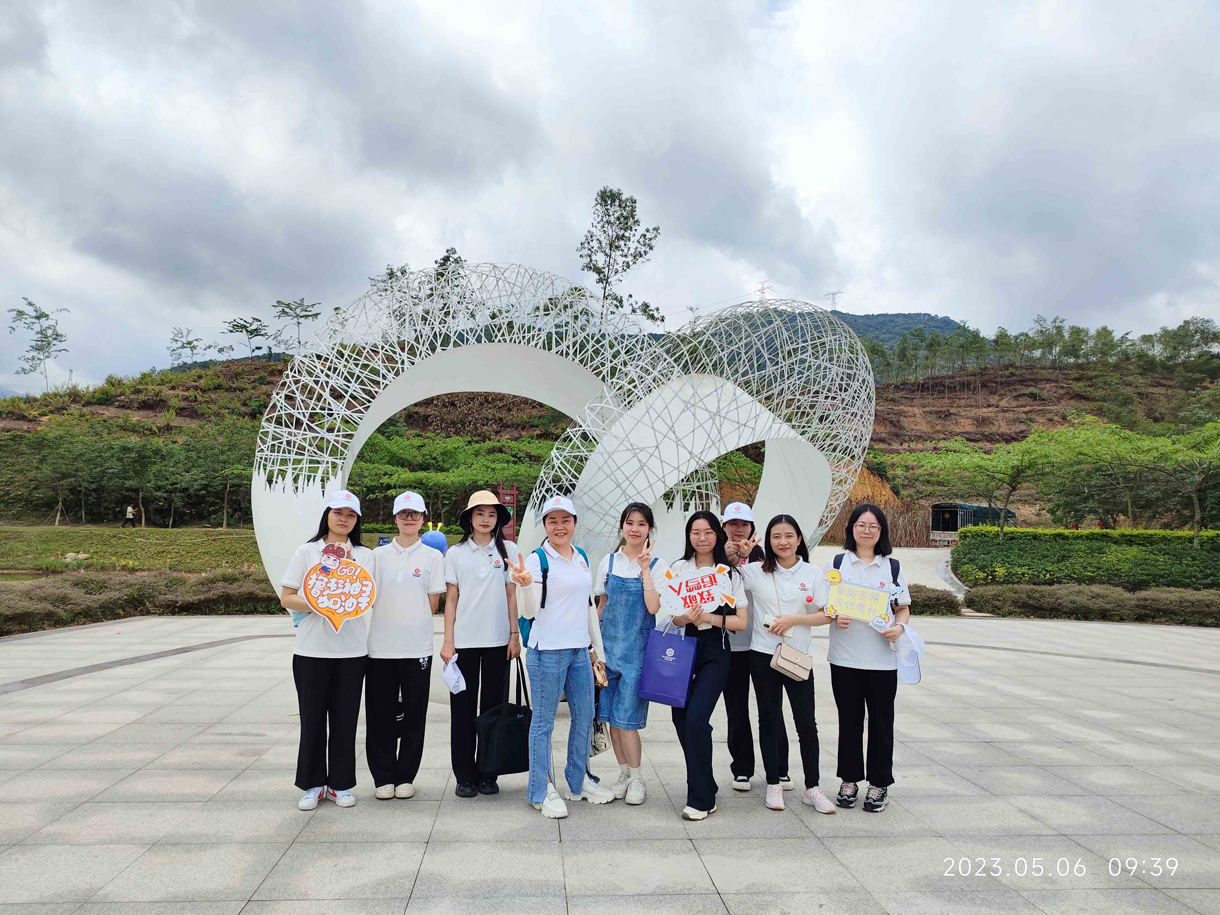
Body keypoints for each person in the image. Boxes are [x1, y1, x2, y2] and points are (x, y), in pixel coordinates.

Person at [511, 495, 615, 818]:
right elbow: (528, 611)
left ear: (574, 524)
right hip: (547, 652)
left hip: (579, 650)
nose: (559, 526)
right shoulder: (536, 560)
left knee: (585, 716)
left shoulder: (581, 557)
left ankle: (578, 779)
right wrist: (526, 586)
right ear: (544, 525)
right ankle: (540, 790)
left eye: (565, 520)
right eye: (552, 521)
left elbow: (586, 607)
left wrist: (597, 648)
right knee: (543, 724)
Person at [278, 490, 374, 811]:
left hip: (352, 651)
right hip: (310, 652)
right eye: (338, 512)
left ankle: (340, 784)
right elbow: (286, 596)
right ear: (327, 515)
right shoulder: (307, 552)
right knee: (313, 720)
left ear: (357, 520)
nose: (343, 518)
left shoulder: (365, 555)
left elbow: (368, 597)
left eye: (350, 514)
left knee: (346, 721)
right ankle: (313, 784)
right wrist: (318, 604)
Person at [816, 503, 911, 813]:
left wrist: (899, 627)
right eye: (861, 524)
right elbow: (825, 604)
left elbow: (903, 608)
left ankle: (879, 783)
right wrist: (835, 615)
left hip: (882, 661)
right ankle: (849, 780)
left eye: (873, 526)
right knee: (850, 722)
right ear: (851, 528)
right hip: (844, 658)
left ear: (881, 532)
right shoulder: (838, 563)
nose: (866, 530)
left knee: (882, 724)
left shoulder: (892, 567)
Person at [742, 515, 837, 814]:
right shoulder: (755, 572)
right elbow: (725, 581)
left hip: (796, 656)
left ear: (799, 539)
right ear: (768, 541)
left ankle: (813, 788)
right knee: (768, 720)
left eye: (789, 535)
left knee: (806, 723)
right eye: (776, 536)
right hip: (762, 655)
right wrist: (740, 555)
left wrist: (793, 620)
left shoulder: (812, 572)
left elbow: (827, 614)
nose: (782, 542)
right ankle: (773, 783)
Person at [662, 510, 749, 821]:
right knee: (681, 720)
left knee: (697, 720)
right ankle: (705, 783)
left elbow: (740, 621)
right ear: (689, 536)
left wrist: (708, 618)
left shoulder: (728, 574)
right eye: (696, 532)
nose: (702, 537)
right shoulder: (678, 569)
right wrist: (685, 617)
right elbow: (672, 614)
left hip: (716, 653)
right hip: (684, 650)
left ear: (718, 534)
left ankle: (700, 797)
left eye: (708, 532)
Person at [441, 491, 522, 798]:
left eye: (491, 515)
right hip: (463, 642)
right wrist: (448, 641)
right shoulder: (456, 552)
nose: (486, 519)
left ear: (498, 519)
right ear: (469, 518)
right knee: (461, 711)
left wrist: (515, 635)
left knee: (492, 711)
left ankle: (489, 772)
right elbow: (451, 599)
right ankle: (464, 775)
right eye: (480, 514)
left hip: (498, 642)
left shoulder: (510, 550)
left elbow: (512, 595)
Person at [365, 491, 445, 800]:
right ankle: (382, 777)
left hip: (417, 649)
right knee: (379, 714)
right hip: (379, 648)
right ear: (395, 518)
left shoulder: (432, 557)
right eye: (403, 513)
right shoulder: (377, 556)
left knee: (414, 714)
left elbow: (433, 601)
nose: (409, 518)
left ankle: (405, 776)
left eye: (415, 514)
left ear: (423, 518)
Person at [593, 502, 666, 806]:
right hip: (608, 652)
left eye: (641, 524)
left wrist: (646, 569)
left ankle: (637, 778)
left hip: (637, 653)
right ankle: (623, 773)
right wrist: (595, 648)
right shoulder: (608, 562)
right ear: (621, 526)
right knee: (611, 718)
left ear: (650, 529)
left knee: (628, 720)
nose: (634, 529)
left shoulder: (658, 565)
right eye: (629, 522)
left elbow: (653, 608)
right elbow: (600, 605)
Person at [719, 501, 791, 793]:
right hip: (731, 646)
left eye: (744, 524)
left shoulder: (766, 560)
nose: (738, 529)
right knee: (736, 709)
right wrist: (731, 559)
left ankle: (780, 768)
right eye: (732, 524)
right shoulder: (714, 560)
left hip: (763, 645)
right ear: (723, 527)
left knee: (771, 709)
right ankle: (742, 770)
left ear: (752, 528)